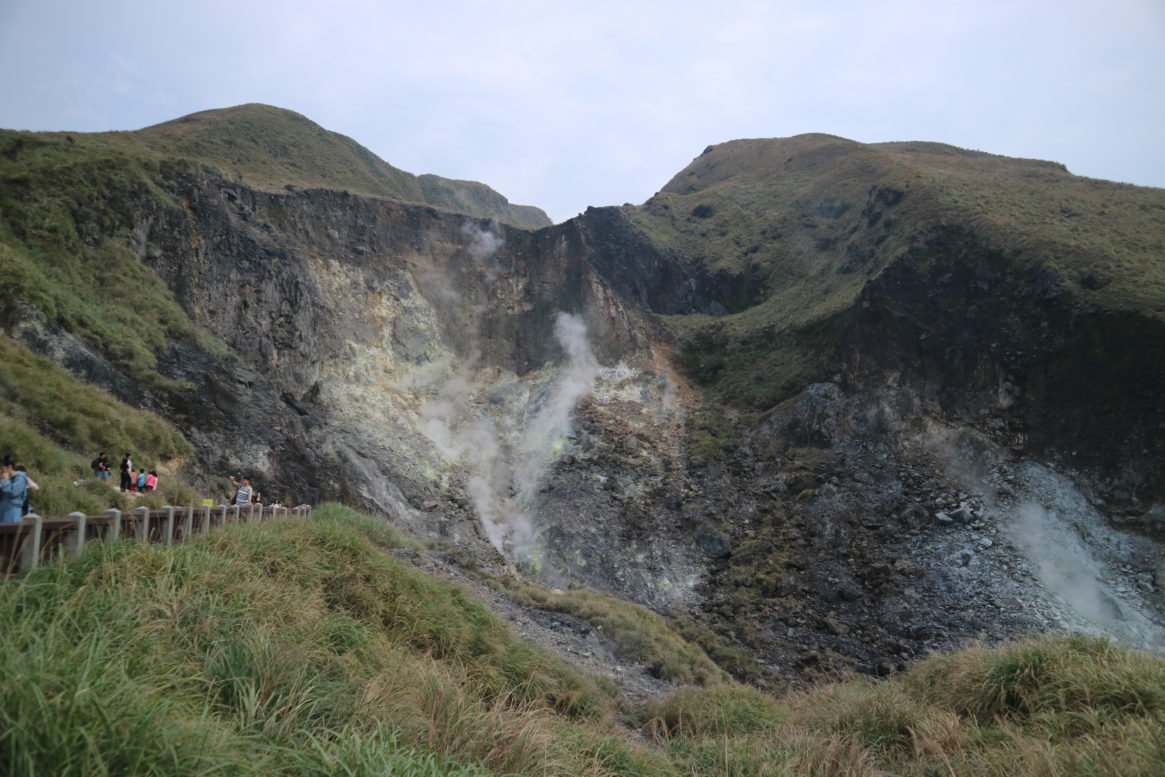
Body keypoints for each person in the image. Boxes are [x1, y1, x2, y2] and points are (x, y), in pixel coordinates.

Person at [1, 456, 28, 523]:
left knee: (9, 531)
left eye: (3, 469)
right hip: (3, 508)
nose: (2, 471)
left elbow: (13, 492)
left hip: (12, 510)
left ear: (9, 467)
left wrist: (5, 480)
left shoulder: (20, 478)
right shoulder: (7, 478)